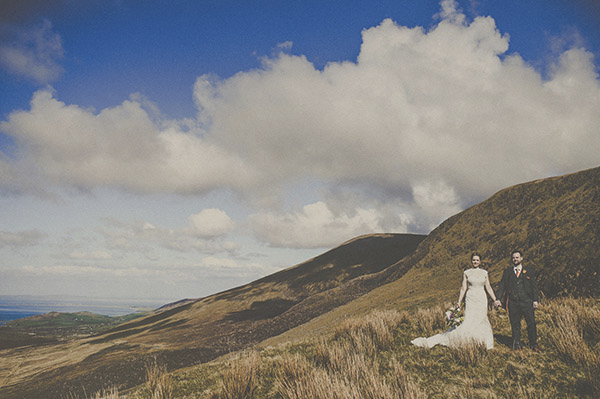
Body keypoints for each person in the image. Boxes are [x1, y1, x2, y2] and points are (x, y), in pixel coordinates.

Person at [411, 253, 497, 349]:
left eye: (477, 260)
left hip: (481, 298)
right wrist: (459, 302)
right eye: (473, 260)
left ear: (480, 261)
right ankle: (467, 340)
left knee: (481, 319)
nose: (475, 262)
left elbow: (488, 287)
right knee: (469, 318)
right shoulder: (467, 272)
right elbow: (463, 288)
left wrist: (495, 299)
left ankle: (482, 341)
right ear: (471, 261)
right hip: (471, 297)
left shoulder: (484, 273)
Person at [494, 250, 540, 351]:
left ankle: (533, 344)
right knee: (515, 324)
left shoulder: (529, 271)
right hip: (513, 302)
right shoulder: (507, 272)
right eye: (514, 258)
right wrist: (498, 299)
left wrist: (535, 300)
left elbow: (534, 287)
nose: (515, 259)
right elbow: (502, 286)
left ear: (521, 258)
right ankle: (517, 344)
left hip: (527, 301)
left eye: (517, 257)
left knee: (531, 323)